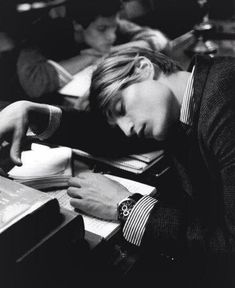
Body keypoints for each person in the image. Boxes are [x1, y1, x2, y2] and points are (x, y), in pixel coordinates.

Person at [1, 47, 235, 287]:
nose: (126, 129)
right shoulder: (188, 100)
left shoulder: (225, 98)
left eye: (121, 110)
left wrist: (124, 206)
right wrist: (32, 112)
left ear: (144, 68)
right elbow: (107, 137)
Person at [16, 0, 170, 101]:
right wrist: (86, 58)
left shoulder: (106, 22)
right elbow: (34, 83)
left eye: (114, 27)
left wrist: (110, 52)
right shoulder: (45, 35)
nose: (111, 36)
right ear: (78, 25)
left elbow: (158, 39)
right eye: (102, 29)